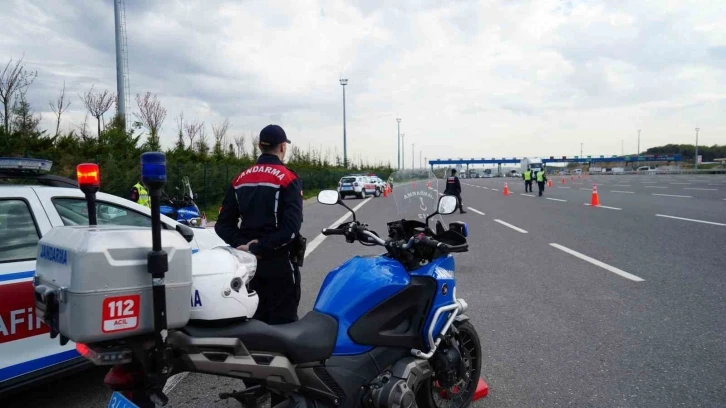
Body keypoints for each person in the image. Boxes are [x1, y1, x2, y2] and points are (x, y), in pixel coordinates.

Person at [215, 124, 303, 325]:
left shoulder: (240, 178)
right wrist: (258, 248)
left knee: (250, 323)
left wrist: (244, 247)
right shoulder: (289, 178)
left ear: (259, 146)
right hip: (278, 265)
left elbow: (222, 225)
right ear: (282, 147)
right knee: (284, 327)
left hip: (245, 267)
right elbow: (290, 230)